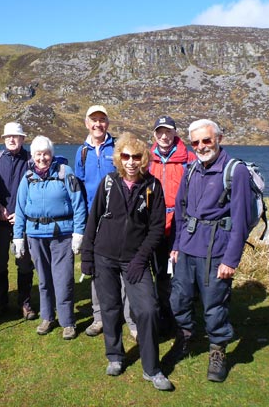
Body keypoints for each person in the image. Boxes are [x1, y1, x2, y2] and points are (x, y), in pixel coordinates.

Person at [80, 132, 174, 391]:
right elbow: (94, 219)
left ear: (143, 159)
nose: (131, 162)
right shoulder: (109, 183)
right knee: (109, 308)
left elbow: (156, 229)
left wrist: (140, 259)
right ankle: (115, 356)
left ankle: (152, 368)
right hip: (104, 257)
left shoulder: (153, 186)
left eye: (136, 157)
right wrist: (87, 256)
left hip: (136, 260)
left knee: (147, 310)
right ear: (119, 158)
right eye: (126, 156)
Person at [164, 119, 252, 382]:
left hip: (217, 251)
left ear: (219, 139)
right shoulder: (191, 169)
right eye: (196, 142)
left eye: (206, 140)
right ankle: (185, 337)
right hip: (188, 248)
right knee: (178, 299)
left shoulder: (235, 171)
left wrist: (231, 260)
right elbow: (181, 211)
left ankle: (217, 350)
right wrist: (177, 245)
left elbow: (241, 220)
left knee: (215, 305)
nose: (201, 146)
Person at [13, 135, 87, 340]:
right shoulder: (27, 177)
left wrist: (78, 233)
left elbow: (78, 204)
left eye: (46, 154)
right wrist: (18, 237)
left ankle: (68, 322)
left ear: (51, 155)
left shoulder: (66, 173)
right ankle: (47, 317)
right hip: (35, 236)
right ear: (33, 156)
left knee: (63, 279)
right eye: (38, 154)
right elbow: (19, 209)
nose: (42, 158)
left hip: (61, 236)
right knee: (44, 280)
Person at [74, 105, 137, 339]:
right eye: (94, 120)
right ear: (86, 123)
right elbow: (78, 187)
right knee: (98, 269)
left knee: (126, 266)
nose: (98, 124)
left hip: (121, 218)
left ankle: (131, 319)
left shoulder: (119, 148)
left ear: (107, 123)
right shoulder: (81, 152)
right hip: (94, 218)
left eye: (102, 120)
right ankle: (99, 317)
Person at [0, 122, 37, 320]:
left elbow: (36, 192)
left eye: (16, 136)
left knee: (24, 264)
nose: (12, 140)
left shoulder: (31, 160)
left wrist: (22, 213)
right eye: (8, 137)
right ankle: (1, 303)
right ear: (4, 139)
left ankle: (25, 303)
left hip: (22, 223)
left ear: (23, 139)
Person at [149, 115, 196, 336]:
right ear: (155, 134)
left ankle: (182, 318)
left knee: (181, 273)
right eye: (160, 132)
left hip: (182, 224)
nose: (164, 136)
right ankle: (163, 315)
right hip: (157, 224)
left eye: (168, 131)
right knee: (160, 272)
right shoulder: (148, 160)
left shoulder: (189, 159)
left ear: (175, 133)